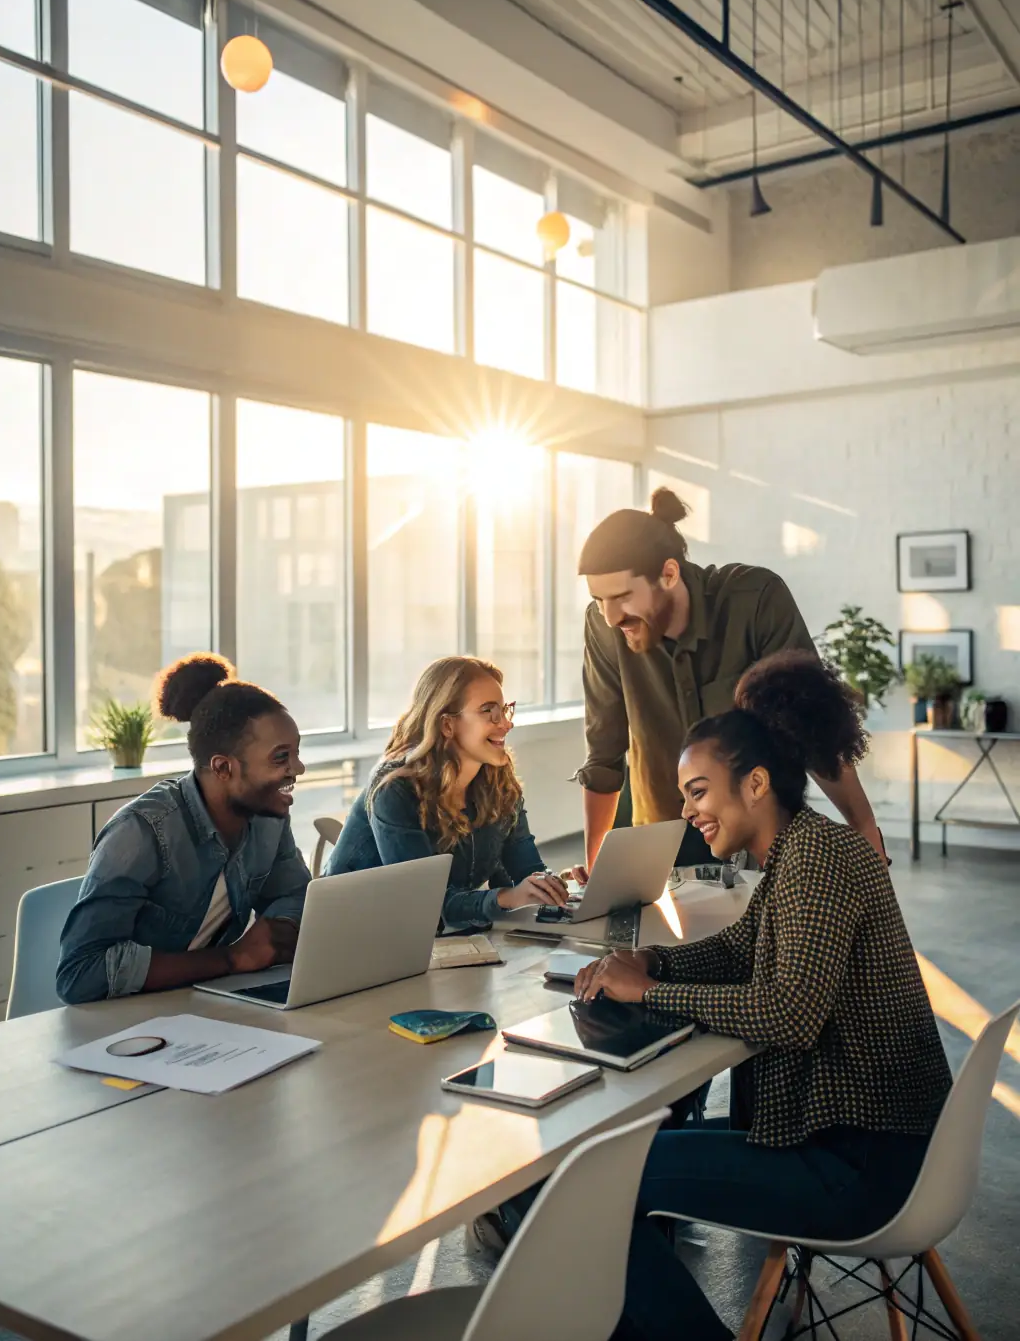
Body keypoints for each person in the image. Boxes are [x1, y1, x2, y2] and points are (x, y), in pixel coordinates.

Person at [565, 652, 952, 1341]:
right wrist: (654, 958)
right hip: (854, 1139)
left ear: (756, 782)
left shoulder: (817, 859)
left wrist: (649, 990)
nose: (688, 811)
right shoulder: (801, 850)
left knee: (594, 1181)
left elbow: (789, 1014)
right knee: (612, 1159)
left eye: (698, 792)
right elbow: (738, 950)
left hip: (861, 1163)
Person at [574, 486, 885, 872]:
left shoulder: (755, 601)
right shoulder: (604, 629)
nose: (610, 617)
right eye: (598, 600)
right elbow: (603, 753)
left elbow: (811, 724)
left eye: (621, 596)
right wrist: (596, 868)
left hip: (759, 839)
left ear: (668, 574)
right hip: (662, 839)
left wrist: (863, 826)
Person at [56, 654, 310, 1004]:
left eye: (296, 753)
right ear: (223, 768)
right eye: (281, 757)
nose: (298, 768)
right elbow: (79, 974)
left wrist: (277, 931)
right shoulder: (141, 832)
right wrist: (232, 958)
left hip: (207, 1005)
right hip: (122, 1019)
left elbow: (296, 895)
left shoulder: (269, 819)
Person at [325, 656, 568, 929]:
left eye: (504, 710)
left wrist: (554, 885)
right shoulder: (395, 789)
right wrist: (506, 897)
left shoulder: (498, 779)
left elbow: (525, 870)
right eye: (488, 711)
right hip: (354, 930)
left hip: (423, 936)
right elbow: (427, 902)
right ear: (447, 725)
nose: (506, 724)